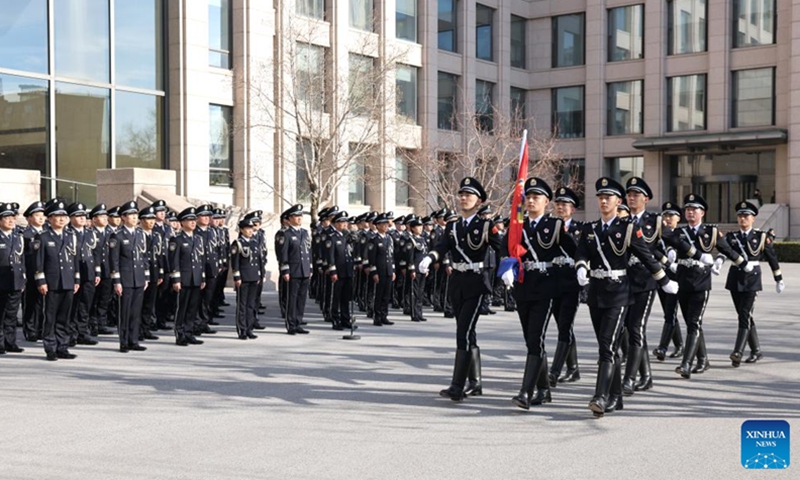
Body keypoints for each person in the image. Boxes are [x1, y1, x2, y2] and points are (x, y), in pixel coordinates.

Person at [574, 178, 678, 417]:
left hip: (620, 292)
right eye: (600, 197)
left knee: (607, 345)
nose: (603, 201)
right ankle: (617, 396)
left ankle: (600, 396)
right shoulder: (589, 229)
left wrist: (664, 281)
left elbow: (646, 256)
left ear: (617, 201)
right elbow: (582, 252)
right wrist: (580, 266)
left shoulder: (627, 228)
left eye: (608, 197)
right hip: (596, 292)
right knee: (606, 344)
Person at [419, 177, 502, 402]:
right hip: (457, 283)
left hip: (476, 283)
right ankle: (475, 383)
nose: (464, 198)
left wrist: (508, 269)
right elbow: (442, 247)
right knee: (468, 333)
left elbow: (502, 248)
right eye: (462, 194)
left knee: (463, 333)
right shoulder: (453, 226)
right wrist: (430, 257)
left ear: (478, 200)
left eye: (469, 195)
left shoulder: (486, 225)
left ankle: (458, 386)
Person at [501, 178, 577, 410]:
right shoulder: (517, 226)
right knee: (530, 340)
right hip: (524, 287)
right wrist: (506, 269)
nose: (531, 201)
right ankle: (544, 390)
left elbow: (576, 250)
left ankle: (526, 391)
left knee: (536, 339)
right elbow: (505, 250)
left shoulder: (554, 226)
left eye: (536, 197)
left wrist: (583, 267)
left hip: (546, 287)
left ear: (546, 201)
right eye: (528, 197)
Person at [673, 193, 745, 379]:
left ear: (702, 212)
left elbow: (726, 249)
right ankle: (703, 359)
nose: (690, 212)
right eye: (687, 209)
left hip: (701, 282)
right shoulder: (679, 232)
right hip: (682, 281)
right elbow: (668, 243)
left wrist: (741, 263)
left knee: (694, 322)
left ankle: (686, 364)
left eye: (694, 209)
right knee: (692, 322)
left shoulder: (711, 232)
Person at [722, 201, 784, 367]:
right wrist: (718, 262)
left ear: (753, 219)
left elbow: (772, 258)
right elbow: (724, 250)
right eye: (740, 216)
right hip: (735, 278)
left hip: (752, 280)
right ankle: (756, 350)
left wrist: (778, 279)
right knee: (745, 316)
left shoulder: (761, 237)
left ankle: (738, 352)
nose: (743, 219)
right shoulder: (732, 236)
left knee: (744, 314)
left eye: (746, 216)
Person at [35, 200, 81, 361]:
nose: (61, 219)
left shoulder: (70, 236)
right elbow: (39, 262)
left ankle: (63, 346)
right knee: (51, 316)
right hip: (52, 283)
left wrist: (76, 279)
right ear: (49, 218)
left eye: (64, 216)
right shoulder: (43, 237)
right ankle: (50, 348)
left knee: (64, 316)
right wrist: (41, 281)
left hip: (68, 281)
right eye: (57, 216)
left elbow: (74, 259)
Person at [549, 186, 583, 385]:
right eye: (558, 204)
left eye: (565, 205)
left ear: (573, 209)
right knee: (564, 326)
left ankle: (555, 370)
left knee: (564, 325)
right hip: (553, 281)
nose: (560, 207)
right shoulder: (550, 227)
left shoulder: (580, 229)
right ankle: (573, 368)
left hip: (571, 282)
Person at [109, 201, 150, 353]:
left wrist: (146, 276)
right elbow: (114, 260)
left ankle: (134, 340)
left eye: (135, 215)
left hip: (138, 278)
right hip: (125, 279)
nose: (134, 218)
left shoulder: (140, 233)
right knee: (124, 311)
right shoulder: (117, 236)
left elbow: (144, 256)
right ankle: (124, 341)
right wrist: (117, 281)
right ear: (123, 217)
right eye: (131, 215)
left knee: (135, 311)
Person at [168, 207, 206, 346]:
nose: (192, 222)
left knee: (192, 307)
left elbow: (200, 259)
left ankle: (189, 332)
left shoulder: (198, 239)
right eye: (189, 220)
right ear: (182, 223)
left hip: (195, 278)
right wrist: (176, 280)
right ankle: (180, 333)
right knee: (182, 307)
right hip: (183, 279)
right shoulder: (177, 239)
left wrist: (202, 277)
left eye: (193, 220)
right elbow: (174, 261)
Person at [652, 201, 684, 361]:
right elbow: (654, 250)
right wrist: (666, 261)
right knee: (668, 312)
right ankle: (679, 345)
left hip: (677, 277)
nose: (667, 218)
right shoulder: (659, 234)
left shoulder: (681, 235)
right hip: (662, 276)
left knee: (670, 312)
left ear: (678, 218)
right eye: (665, 215)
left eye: (671, 215)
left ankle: (663, 348)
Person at [65, 202, 100, 347]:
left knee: (86, 305)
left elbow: (96, 253)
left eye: (83, 216)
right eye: (78, 216)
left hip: (89, 272)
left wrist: (97, 271)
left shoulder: (91, 233)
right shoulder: (68, 233)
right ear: (71, 218)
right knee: (73, 305)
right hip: (74, 273)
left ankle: (83, 332)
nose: (82, 218)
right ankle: (71, 334)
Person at [278, 204, 312, 334]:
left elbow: (308, 251)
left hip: (304, 270)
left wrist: (310, 268)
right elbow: (283, 254)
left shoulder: (304, 232)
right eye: (296, 216)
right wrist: (285, 270)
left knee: (301, 299)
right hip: (293, 270)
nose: (299, 218)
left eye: (300, 216)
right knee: (292, 298)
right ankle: (291, 324)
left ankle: (298, 322)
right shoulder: (286, 234)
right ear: (290, 218)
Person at [231, 217, 264, 339]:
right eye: (247, 228)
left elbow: (259, 261)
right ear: (241, 230)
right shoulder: (238, 243)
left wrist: (260, 274)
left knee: (251, 304)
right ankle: (242, 329)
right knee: (242, 304)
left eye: (251, 228)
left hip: (254, 276)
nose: (250, 231)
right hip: (243, 277)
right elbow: (235, 263)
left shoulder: (255, 243)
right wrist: (237, 277)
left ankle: (249, 328)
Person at [0, 202, 25, 355]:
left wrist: (23, 279)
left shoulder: (18, 237)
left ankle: (11, 342)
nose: (11, 220)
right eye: (7, 217)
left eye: (12, 217)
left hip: (15, 280)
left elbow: (21, 260)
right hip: (1, 281)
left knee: (12, 314)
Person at [327, 210, 357, 331]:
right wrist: (333, 271)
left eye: (346, 222)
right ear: (336, 223)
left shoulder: (346, 236)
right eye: (342, 222)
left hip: (347, 271)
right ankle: (335, 319)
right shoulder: (332, 237)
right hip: (338, 272)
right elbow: (330, 256)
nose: (345, 224)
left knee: (346, 298)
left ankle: (346, 319)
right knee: (336, 297)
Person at [21, 201, 46, 342]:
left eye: (42, 215)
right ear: (29, 218)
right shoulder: (25, 234)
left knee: (42, 303)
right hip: (30, 274)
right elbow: (23, 256)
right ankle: (30, 330)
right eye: (37, 215)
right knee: (30, 303)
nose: (41, 218)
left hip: (44, 274)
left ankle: (41, 329)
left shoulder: (47, 233)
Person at [194, 205, 220, 336]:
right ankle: (196, 323)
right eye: (203, 216)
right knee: (198, 298)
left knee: (208, 298)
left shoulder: (212, 231)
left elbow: (216, 249)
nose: (206, 218)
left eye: (208, 216)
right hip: (199, 269)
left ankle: (204, 322)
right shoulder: (195, 232)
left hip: (211, 268)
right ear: (197, 217)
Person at [139, 206, 163, 342]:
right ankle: (137, 330)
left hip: (153, 272)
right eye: (148, 218)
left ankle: (146, 328)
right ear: (142, 220)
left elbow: (159, 255)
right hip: (140, 272)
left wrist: (160, 272)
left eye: (153, 218)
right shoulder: (138, 234)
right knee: (139, 303)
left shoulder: (156, 235)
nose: (151, 221)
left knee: (149, 303)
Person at [367, 213, 396, 327]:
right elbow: (372, 258)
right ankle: (377, 316)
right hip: (380, 271)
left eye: (386, 224)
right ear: (377, 226)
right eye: (383, 224)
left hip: (388, 270)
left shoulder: (389, 238)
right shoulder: (374, 240)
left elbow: (391, 255)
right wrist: (374, 272)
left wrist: (393, 270)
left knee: (386, 295)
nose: (386, 226)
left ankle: (384, 315)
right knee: (378, 295)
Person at [403, 216, 429, 323]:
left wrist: (426, 268)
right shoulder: (411, 240)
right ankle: (414, 314)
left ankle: (419, 313)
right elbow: (410, 257)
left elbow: (425, 254)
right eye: (418, 226)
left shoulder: (422, 239)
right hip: (415, 270)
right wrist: (412, 270)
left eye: (421, 226)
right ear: (412, 228)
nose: (420, 228)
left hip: (422, 269)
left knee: (420, 292)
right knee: (414, 292)